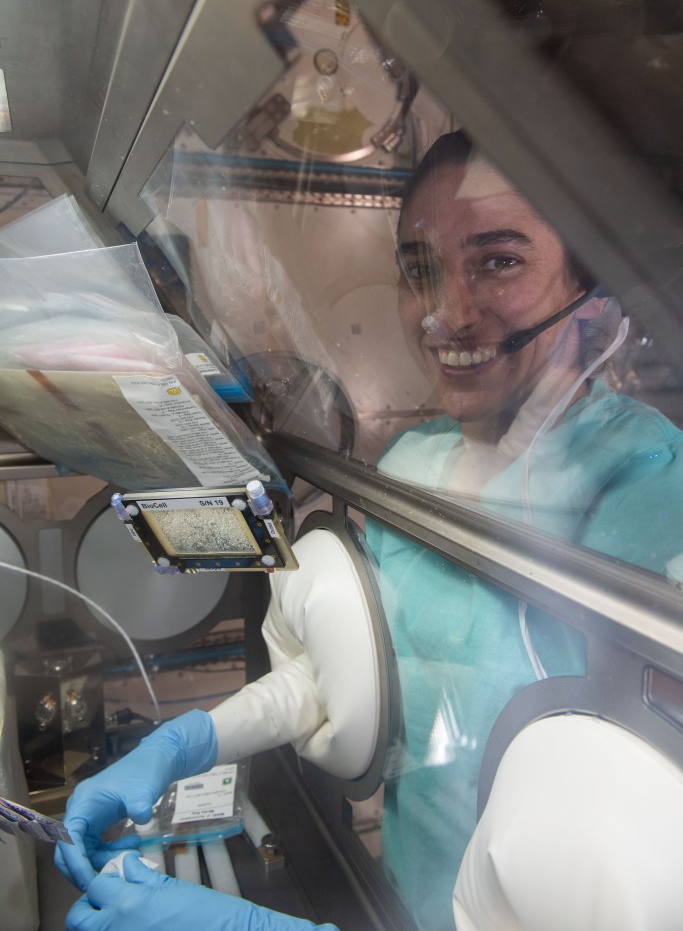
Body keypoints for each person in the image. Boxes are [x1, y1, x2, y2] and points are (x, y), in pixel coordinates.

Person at [56, 131, 683, 931]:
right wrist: (190, 742)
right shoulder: (414, 468)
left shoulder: (647, 486)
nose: (446, 314)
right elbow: (348, 680)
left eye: (498, 260)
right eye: (419, 269)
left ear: (584, 285)